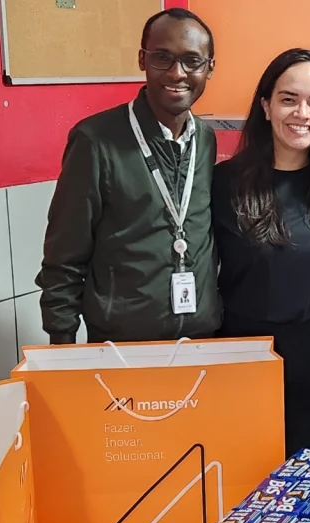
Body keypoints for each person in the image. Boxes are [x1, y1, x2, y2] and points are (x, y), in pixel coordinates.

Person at [36, 8, 221, 345]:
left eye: (192, 61)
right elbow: (64, 256)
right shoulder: (95, 141)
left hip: (200, 340)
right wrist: (62, 343)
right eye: (162, 57)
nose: (177, 72)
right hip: (121, 346)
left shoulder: (206, 140)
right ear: (142, 60)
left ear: (209, 67)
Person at [211, 49, 310, 458]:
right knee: (244, 474)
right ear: (265, 106)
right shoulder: (223, 184)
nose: (302, 113)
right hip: (243, 354)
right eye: (288, 99)